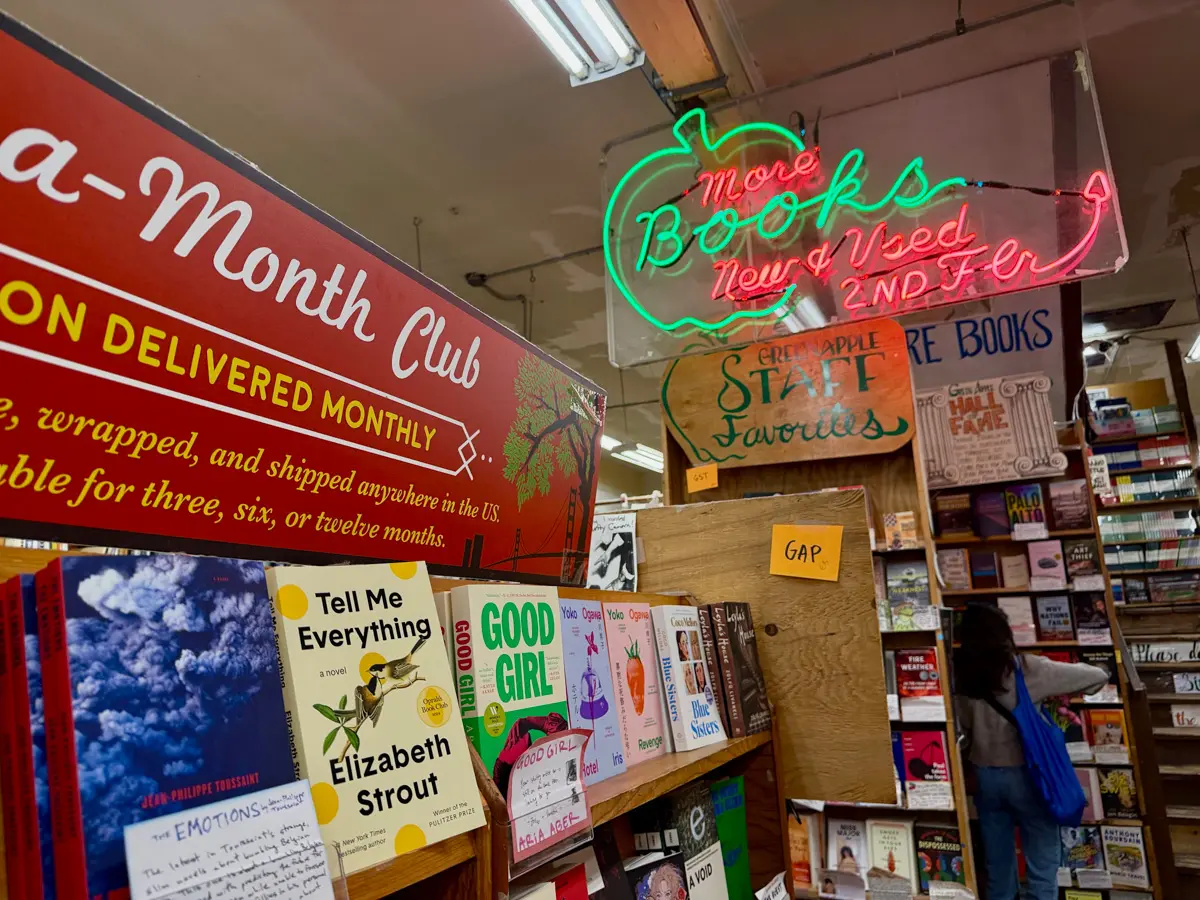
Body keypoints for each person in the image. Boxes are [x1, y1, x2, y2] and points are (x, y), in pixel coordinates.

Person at [955, 603, 1109, 900]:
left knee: (998, 866)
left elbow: (965, 733)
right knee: (1042, 864)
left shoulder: (960, 676)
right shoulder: (1026, 669)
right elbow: (1094, 676)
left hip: (985, 778)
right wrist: (1091, 678)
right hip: (1029, 776)